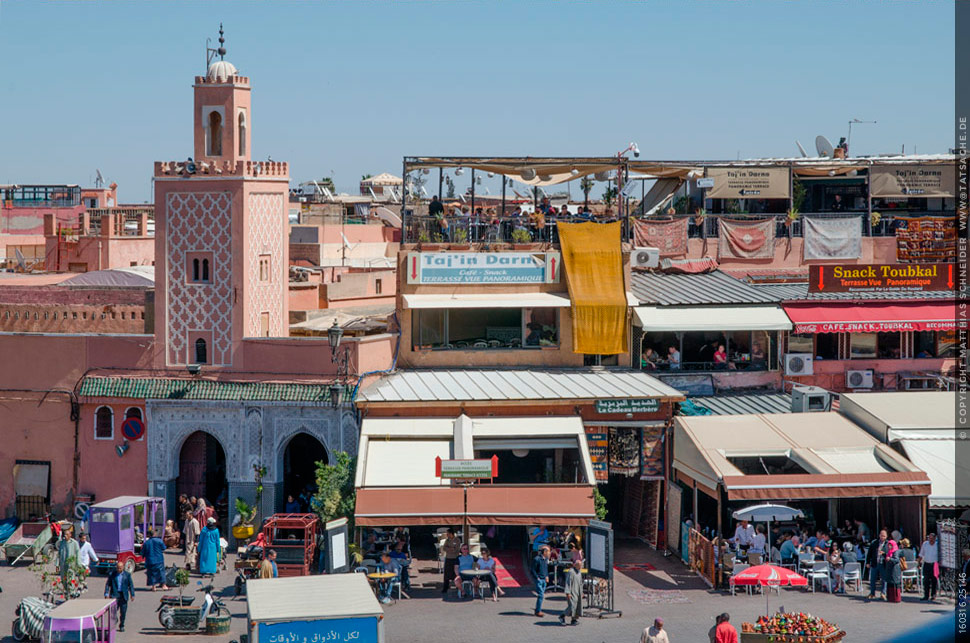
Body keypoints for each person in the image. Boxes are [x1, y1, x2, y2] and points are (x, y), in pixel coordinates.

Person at [104, 560, 135, 632]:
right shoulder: (112, 574)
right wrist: (106, 593)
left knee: (123, 612)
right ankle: (115, 620)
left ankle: (122, 625)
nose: (119, 569)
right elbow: (108, 584)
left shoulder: (127, 575)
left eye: (120, 568)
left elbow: (131, 585)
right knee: (113, 611)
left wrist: (132, 594)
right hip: (115, 594)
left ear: (123, 567)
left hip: (123, 595)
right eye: (117, 568)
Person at [866, 529, 890, 600]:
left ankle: (883, 593)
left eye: (884, 536)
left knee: (884, 579)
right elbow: (869, 553)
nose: (882, 537)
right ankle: (872, 593)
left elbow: (890, 554)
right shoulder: (874, 543)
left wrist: (884, 554)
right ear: (879, 535)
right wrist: (867, 562)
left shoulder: (888, 544)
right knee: (873, 579)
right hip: (875, 563)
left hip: (883, 564)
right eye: (881, 535)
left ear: (886, 536)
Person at [558, 558, 583, 626]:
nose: (581, 567)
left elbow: (580, 583)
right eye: (579, 565)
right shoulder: (571, 572)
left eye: (581, 565)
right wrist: (568, 592)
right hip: (572, 592)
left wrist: (582, 592)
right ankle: (562, 616)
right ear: (575, 565)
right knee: (572, 606)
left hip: (578, 591)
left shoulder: (579, 572)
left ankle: (574, 619)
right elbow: (568, 582)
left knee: (577, 606)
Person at [57, 526, 80, 593]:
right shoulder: (62, 543)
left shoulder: (74, 543)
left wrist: (79, 564)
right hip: (63, 563)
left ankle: (72, 592)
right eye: (64, 534)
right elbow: (59, 553)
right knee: (63, 578)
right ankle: (66, 591)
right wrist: (57, 564)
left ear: (70, 535)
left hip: (71, 564)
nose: (65, 536)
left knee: (71, 578)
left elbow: (78, 553)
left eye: (67, 534)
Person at [918, 532, 938, 601]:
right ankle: (926, 595)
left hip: (934, 565)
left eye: (932, 539)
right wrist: (918, 562)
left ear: (935, 539)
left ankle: (933, 595)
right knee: (926, 580)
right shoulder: (925, 544)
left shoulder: (937, 545)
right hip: (926, 564)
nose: (931, 540)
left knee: (934, 581)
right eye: (930, 538)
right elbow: (921, 554)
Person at [440, 529, 460, 594]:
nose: (447, 535)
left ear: (451, 534)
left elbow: (456, 549)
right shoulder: (447, 540)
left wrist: (450, 549)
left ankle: (458, 586)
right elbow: (444, 548)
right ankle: (445, 587)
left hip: (455, 558)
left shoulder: (457, 540)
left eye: (448, 533)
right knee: (446, 574)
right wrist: (450, 548)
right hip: (448, 558)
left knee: (455, 573)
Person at [533, 545, 550, 617]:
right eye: (548, 551)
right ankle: (538, 611)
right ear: (544, 552)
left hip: (544, 579)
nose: (549, 553)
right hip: (539, 579)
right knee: (541, 595)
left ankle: (537, 609)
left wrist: (547, 576)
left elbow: (545, 568)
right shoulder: (537, 559)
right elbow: (533, 569)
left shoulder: (545, 559)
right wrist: (537, 577)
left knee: (541, 595)